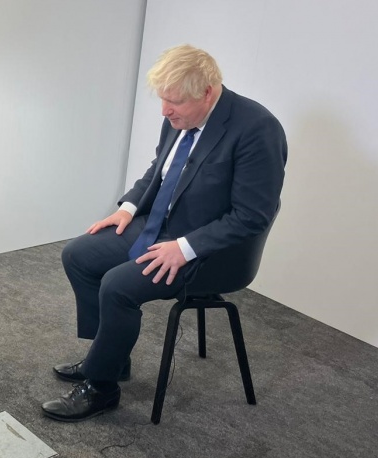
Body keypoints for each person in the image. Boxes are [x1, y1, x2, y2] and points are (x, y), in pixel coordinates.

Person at [43, 45, 287, 423]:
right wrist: (126, 209)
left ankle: (101, 387)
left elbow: (253, 216)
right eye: (162, 100)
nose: (164, 111)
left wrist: (186, 248)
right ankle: (110, 358)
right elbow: (159, 170)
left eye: (174, 102)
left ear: (207, 92)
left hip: (213, 252)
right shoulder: (178, 117)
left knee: (118, 286)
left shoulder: (257, 128)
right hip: (161, 225)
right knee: (79, 256)